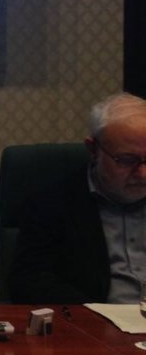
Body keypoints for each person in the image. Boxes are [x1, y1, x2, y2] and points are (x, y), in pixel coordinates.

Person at [10, 92, 146, 304]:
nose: (143, 173)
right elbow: (29, 281)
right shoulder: (52, 204)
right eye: (127, 160)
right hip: (96, 320)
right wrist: (93, 314)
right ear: (93, 150)